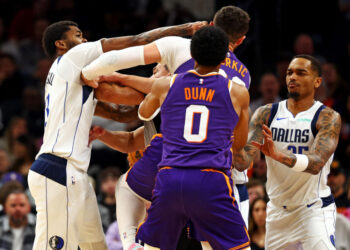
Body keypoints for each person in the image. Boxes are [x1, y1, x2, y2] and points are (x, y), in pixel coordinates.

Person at [27, 20, 206, 250]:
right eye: (79, 35)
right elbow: (137, 40)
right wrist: (185, 30)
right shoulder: (74, 56)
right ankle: (132, 243)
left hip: (75, 173)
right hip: (59, 168)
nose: (84, 40)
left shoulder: (67, 81)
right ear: (61, 44)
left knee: (95, 245)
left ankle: (131, 243)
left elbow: (123, 114)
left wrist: (155, 91)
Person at [82, 5, 252, 248]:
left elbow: (139, 105)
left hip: (170, 164)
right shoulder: (241, 82)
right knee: (214, 238)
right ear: (240, 40)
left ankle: (130, 243)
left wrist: (90, 72)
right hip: (215, 170)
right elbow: (238, 145)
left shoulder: (170, 77)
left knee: (126, 188)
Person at [136, 26, 250, 250]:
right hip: (211, 179)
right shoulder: (237, 92)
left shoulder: (165, 85)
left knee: (152, 246)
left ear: (192, 54)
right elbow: (239, 145)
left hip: (170, 176)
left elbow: (144, 113)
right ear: (224, 58)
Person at [233, 54, 341, 249]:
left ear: (317, 81)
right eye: (289, 72)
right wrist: (227, 138)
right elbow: (242, 162)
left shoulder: (327, 117)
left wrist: (277, 155)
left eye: (301, 73)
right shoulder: (266, 113)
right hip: (276, 212)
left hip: (313, 210)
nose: (293, 77)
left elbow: (316, 163)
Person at [0, 183, 36, 250]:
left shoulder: (38, 226)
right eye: (13, 205)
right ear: (5, 208)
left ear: (29, 207)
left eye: (22, 205)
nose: (18, 209)